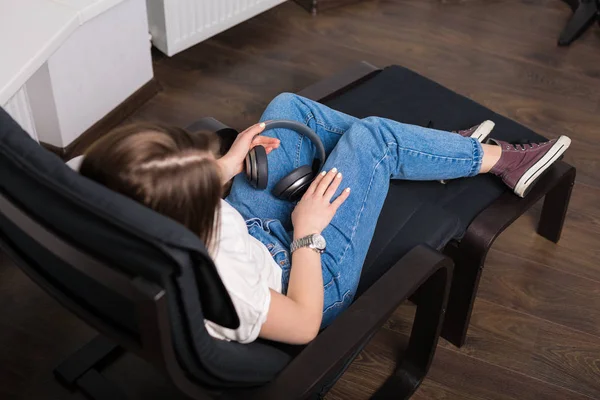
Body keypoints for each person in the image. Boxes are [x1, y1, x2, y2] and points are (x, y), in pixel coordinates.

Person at [79, 93, 570, 345]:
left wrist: (227, 165)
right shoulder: (223, 287)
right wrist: (308, 233)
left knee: (285, 109)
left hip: (245, 234)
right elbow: (303, 324)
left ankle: (430, 155)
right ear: (184, 209)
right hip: (305, 277)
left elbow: (159, 186)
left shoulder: (105, 198)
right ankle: (501, 161)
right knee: (374, 138)